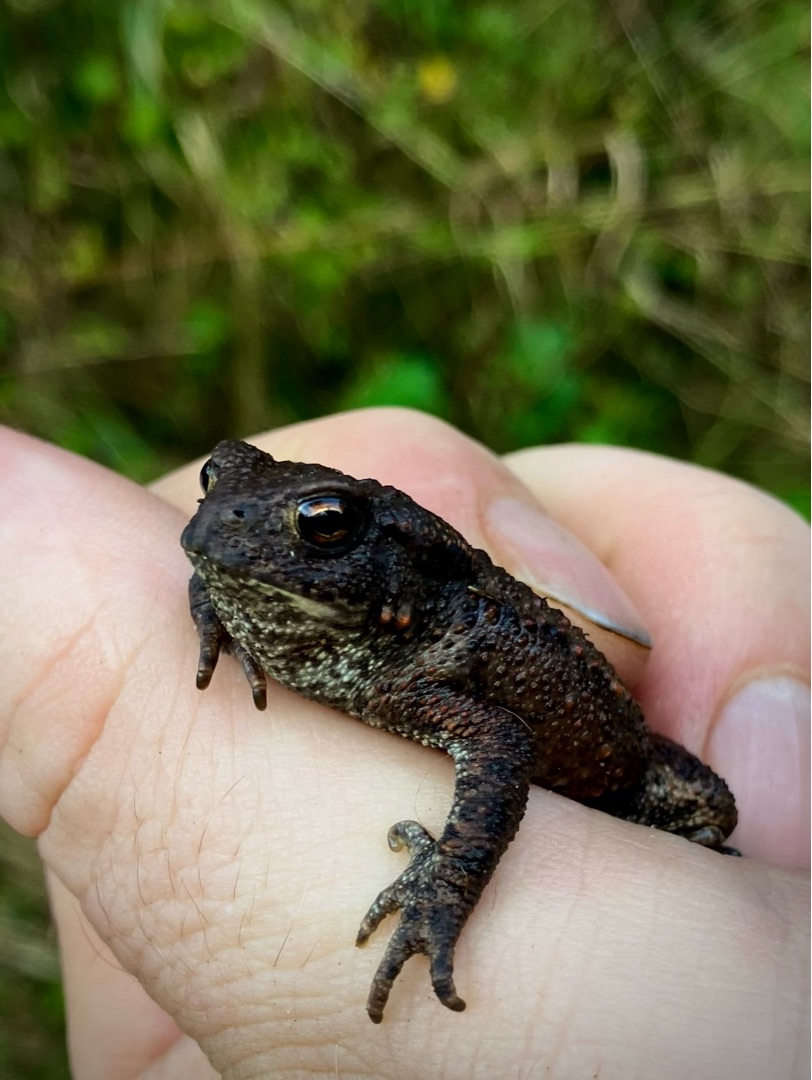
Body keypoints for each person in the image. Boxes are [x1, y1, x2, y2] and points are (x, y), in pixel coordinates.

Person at [0, 408, 807, 1080]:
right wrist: (218, 605)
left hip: (614, 773)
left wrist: (447, 879)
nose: (219, 518)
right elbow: (216, 554)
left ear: (383, 559)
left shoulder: (421, 653)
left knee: (709, 805)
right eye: (215, 483)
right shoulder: (268, 584)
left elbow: (499, 739)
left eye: (318, 525)